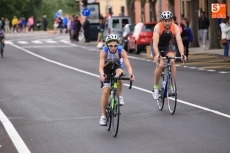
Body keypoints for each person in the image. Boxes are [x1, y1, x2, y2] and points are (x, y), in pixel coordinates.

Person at [99, 34, 135, 126]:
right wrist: (102, 74)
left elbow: (128, 65)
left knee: (120, 74)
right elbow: (100, 67)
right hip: (106, 69)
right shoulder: (104, 52)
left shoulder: (121, 51)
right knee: (106, 91)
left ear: (118, 45)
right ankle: (103, 116)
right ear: (107, 45)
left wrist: (131, 74)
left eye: (115, 45)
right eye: (111, 45)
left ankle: (120, 96)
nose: (113, 48)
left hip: (117, 67)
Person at [152, 11, 187, 99]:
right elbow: (155, 44)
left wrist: (182, 54)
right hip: (157, 46)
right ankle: (155, 88)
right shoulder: (158, 27)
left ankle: (172, 86)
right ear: (162, 21)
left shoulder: (175, 27)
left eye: (169, 21)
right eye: (165, 21)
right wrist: (157, 54)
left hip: (167, 45)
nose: (167, 23)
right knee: (161, 65)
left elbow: (179, 42)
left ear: (172, 21)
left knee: (172, 60)